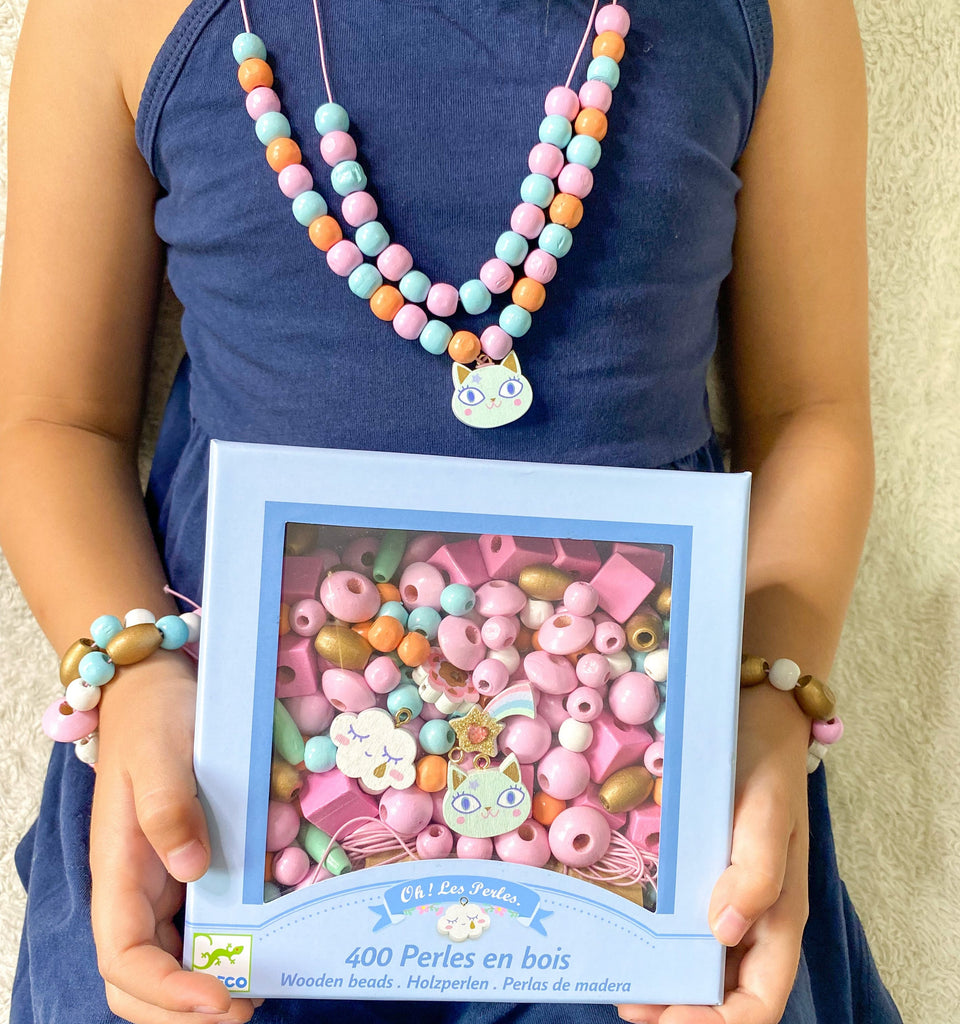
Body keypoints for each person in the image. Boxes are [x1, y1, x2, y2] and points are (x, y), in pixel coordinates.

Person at [0, 0, 903, 1021]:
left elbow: (808, 414)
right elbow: (50, 422)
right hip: (220, 783)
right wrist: (133, 673)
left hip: (650, 786)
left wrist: (765, 701)